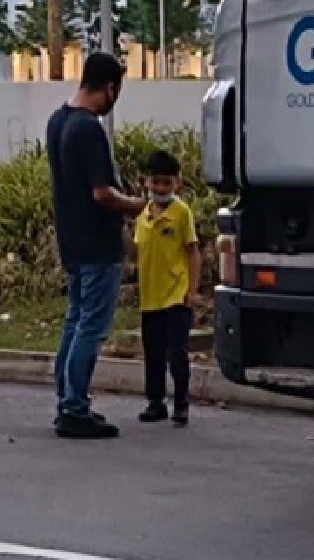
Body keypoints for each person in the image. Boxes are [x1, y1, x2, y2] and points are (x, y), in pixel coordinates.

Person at [47, 52, 146, 439]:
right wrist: (140, 206)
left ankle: (66, 399)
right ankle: (75, 408)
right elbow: (103, 194)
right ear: (110, 87)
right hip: (98, 244)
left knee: (75, 321)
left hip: (71, 240)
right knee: (90, 326)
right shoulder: (89, 130)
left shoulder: (58, 122)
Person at [133, 150, 200, 427]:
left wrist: (192, 290)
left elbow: (193, 251)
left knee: (177, 353)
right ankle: (155, 402)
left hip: (176, 294)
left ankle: (181, 403)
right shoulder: (142, 214)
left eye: (166, 183)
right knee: (154, 352)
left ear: (177, 184)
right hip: (150, 295)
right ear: (146, 182)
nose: (160, 188)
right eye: (156, 182)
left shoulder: (181, 213)